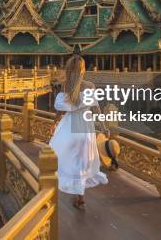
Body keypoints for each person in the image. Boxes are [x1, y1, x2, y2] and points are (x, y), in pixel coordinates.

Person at [49, 55, 108, 209]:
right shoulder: (89, 86)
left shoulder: (66, 86)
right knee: (83, 160)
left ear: (69, 70)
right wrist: (103, 127)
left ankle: (76, 192)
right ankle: (80, 196)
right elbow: (96, 108)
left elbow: (60, 110)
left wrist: (54, 123)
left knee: (70, 159)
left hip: (69, 126)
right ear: (83, 69)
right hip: (84, 126)